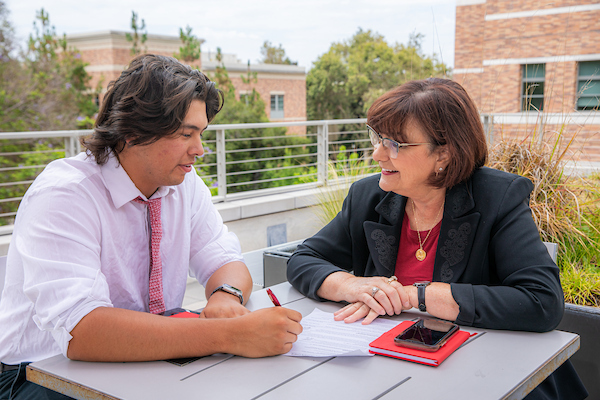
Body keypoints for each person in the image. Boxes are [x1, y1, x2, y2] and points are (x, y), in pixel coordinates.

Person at [0, 54, 302, 399]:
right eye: (186, 134)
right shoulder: (64, 195)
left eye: (201, 133)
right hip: (40, 374)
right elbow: (81, 331)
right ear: (132, 132)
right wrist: (230, 334)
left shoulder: (182, 183)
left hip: (144, 359)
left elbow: (224, 259)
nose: (199, 150)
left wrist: (225, 296)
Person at [287, 78, 587, 399]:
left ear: (443, 153)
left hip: (494, 378)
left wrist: (415, 296)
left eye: (394, 144)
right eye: (377, 138)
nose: (376, 154)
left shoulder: (498, 197)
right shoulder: (368, 196)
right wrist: (350, 285)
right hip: (391, 375)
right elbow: (302, 260)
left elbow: (542, 302)